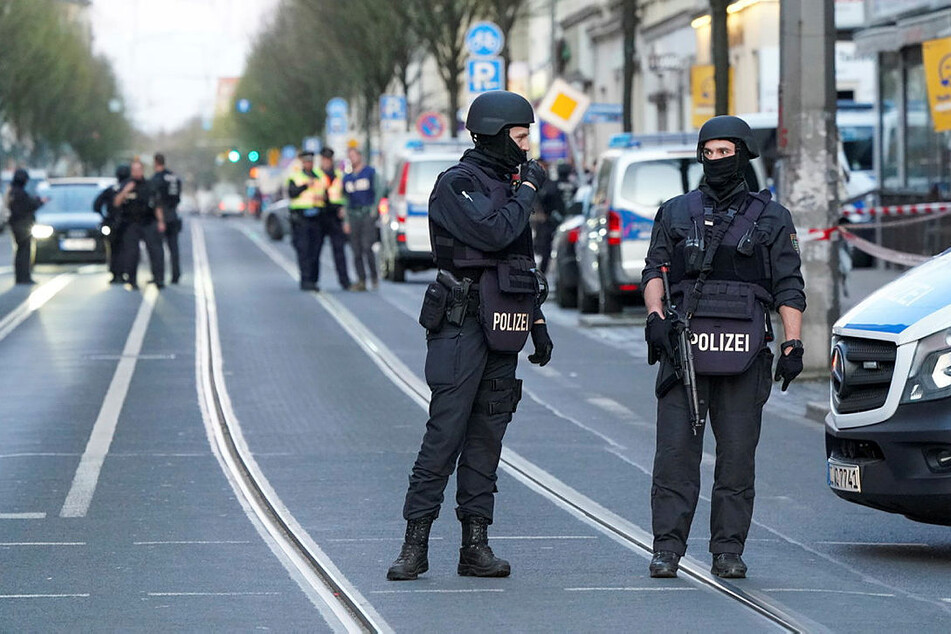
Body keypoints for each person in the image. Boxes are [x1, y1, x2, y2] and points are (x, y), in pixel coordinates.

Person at [387, 90, 553, 582]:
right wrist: (527, 192)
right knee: (446, 433)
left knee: (487, 436)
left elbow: (519, 260)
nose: (527, 148)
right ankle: (414, 545)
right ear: (498, 134)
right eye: (520, 137)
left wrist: (538, 323)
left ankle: (475, 544)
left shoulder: (510, 183)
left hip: (505, 322)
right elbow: (494, 234)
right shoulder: (456, 184)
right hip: (460, 321)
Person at [641, 115, 806, 580]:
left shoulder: (772, 218)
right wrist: (655, 318)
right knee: (674, 457)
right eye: (707, 153)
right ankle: (666, 550)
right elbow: (655, 270)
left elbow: (789, 286)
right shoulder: (675, 211)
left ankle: (727, 551)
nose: (715, 161)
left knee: (736, 459)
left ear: (743, 154)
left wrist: (793, 344)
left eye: (724, 153)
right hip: (684, 351)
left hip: (745, 353)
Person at [114, 159, 165, 290]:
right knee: (132, 253)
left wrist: (161, 221)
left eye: (139, 169)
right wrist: (126, 191)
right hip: (131, 222)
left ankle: (158, 278)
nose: (136, 172)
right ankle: (132, 280)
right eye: (134, 170)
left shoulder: (150, 185)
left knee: (155, 251)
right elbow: (116, 203)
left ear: (142, 170)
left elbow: (157, 204)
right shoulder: (125, 184)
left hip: (148, 221)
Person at [342, 146, 381, 291]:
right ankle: (361, 279)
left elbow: (379, 190)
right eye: (349, 156)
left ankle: (374, 276)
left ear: (360, 156)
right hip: (354, 215)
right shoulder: (347, 178)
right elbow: (345, 199)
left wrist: (374, 209)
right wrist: (346, 220)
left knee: (367, 247)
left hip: (366, 214)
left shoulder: (370, 173)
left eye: (354, 155)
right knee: (356, 249)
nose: (352, 159)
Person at [314, 147, 351, 291]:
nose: (326, 162)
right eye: (324, 159)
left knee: (339, 251)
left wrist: (344, 211)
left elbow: (346, 196)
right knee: (315, 250)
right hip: (320, 215)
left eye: (328, 160)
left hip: (335, 216)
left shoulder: (339, 175)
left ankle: (344, 281)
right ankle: (313, 280)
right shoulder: (315, 175)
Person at [287, 150, 323, 290]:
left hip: (317, 218)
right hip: (301, 219)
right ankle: (305, 279)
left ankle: (314, 280)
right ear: (302, 162)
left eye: (310, 161)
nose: (308, 164)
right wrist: (305, 186)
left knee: (315, 251)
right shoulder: (295, 176)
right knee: (304, 250)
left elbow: (326, 192)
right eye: (306, 161)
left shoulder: (320, 176)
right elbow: (292, 193)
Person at [5, 169, 45, 284]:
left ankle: (20, 277)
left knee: (20, 251)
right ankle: (24, 277)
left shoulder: (12, 191)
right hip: (22, 226)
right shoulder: (19, 193)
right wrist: (40, 202)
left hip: (16, 225)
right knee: (24, 252)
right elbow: (30, 205)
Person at [93, 164, 130, 284]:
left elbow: (97, 205)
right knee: (125, 248)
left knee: (114, 249)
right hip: (125, 223)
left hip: (113, 223)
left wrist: (104, 216)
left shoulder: (111, 189)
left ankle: (115, 272)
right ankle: (122, 272)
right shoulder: (129, 188)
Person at [151, 153, 183, 284]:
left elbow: (156, 200)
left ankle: (159, 276)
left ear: (155, 162)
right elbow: (178, 196)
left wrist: (160, 219)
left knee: (158, 248)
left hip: (161, 216)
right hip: (173, 215)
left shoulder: (156, 179)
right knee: (174, 247)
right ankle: (176, 274)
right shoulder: (174, 177)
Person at [531, 160, 565, 275]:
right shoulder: (535, 184)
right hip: (540, 222)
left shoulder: (551, 185)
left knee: (547, 249)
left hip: (549, 221)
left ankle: (543, 272)